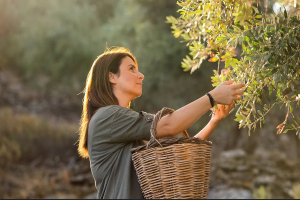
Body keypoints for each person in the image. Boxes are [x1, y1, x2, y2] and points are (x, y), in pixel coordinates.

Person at [78, 47, 245, 199]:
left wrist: (213, 121)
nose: (140, 75)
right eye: (131, 69)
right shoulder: (108, 116)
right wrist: (212, 97)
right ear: (111, 76)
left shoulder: (127, 123)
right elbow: (169, 125)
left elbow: (180, 153)